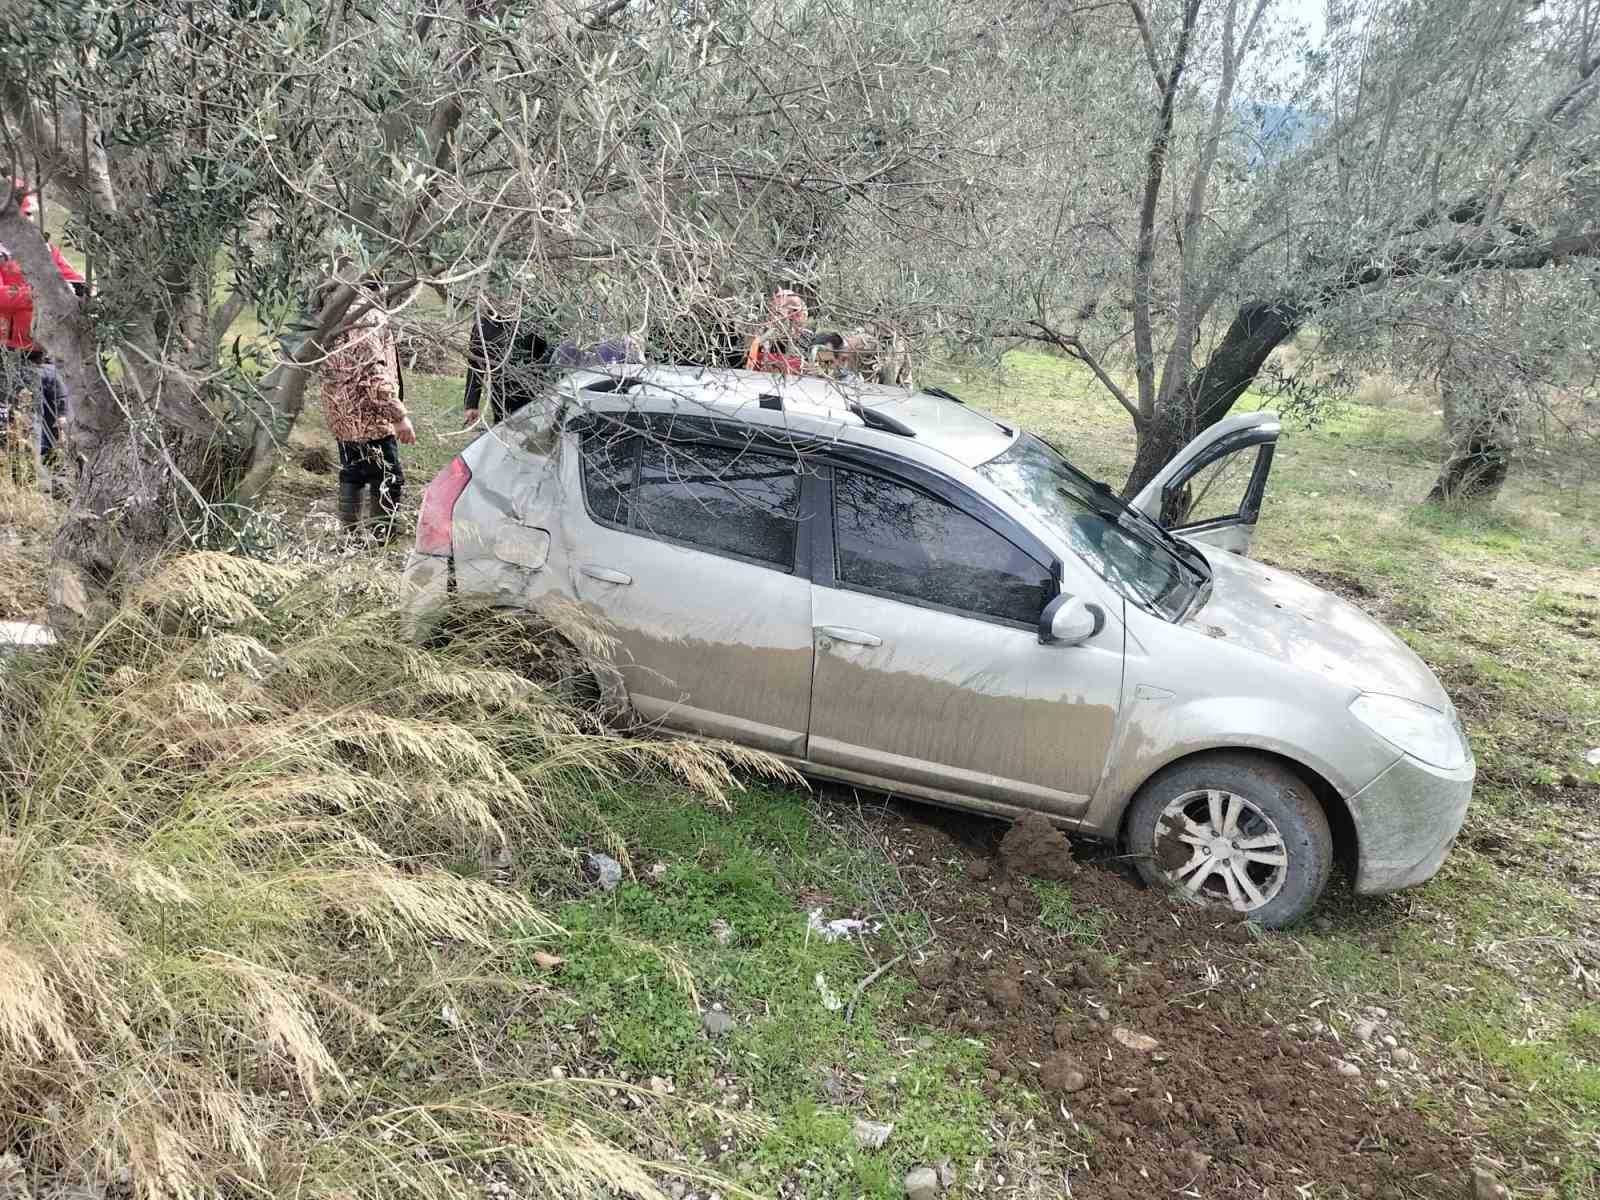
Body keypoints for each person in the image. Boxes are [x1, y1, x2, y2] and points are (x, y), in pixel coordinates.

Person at [0, 179, 86, 479]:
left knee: (59, 424)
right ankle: (21, 488)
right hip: (10, 357)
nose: (30, 223)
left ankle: (58, 486)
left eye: (33, 216)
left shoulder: (43, 249)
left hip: (48, 354)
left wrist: (82, 290)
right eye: (25, 215)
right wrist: (43, 293)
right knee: (18, 428)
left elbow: (72, 280)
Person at [318, 282, 415, 541]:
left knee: (354, 471)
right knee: (389, 476)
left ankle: (350, 537)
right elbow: (373, 373)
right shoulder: (368, 314)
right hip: (368, 414)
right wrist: (399, 416)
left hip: (341, 412)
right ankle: (382, 538)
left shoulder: (332, 309)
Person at [463, 298, 549, 427]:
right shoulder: (483, 327)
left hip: (535, 393)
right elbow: (476, 365)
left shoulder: (532, 323)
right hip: (502, 396)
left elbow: (548, 354)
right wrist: (471, 403)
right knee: (506, 433)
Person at [744, 288, 816, 375]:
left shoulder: (809, 339)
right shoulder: (761, 338)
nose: (789, 317)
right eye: (779, 313)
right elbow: (748, 367)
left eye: (796, 312)